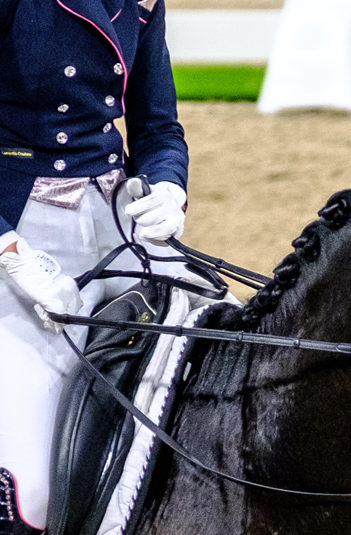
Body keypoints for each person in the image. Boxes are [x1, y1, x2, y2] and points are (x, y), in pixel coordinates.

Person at [0, 0, 189, 531]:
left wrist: (170, 186)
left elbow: (158, 128)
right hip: (20, 225)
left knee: (232, 344)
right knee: (33, 493)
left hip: (116, 220)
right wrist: (9, 250)